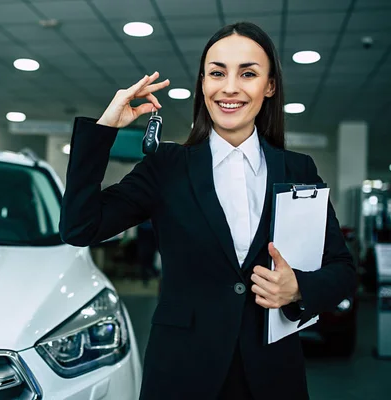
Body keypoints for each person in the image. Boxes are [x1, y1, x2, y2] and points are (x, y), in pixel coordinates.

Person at [60, 22, 356, 400]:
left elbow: (343, 271)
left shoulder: (298, 170)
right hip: (183, 372)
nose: (230, 87)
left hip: (271, 374)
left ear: (269, 86)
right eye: (217, 73)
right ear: (203, 83)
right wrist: (104, 131)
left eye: (247, 73)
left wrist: (299, 287)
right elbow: (79, 227)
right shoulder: (167, 166)